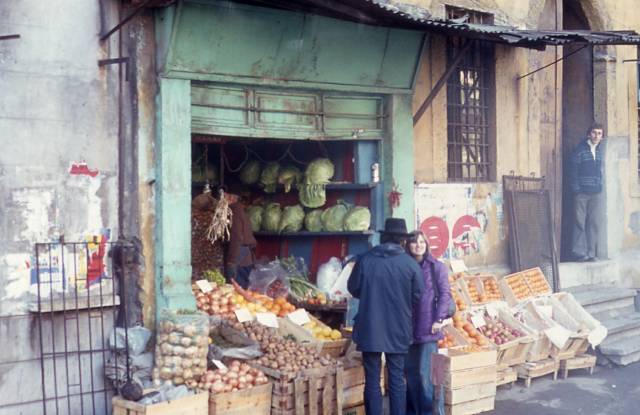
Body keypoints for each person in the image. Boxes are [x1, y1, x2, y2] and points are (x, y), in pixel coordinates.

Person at [347, 218, 424, 415]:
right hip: (398, 327)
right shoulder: (410, 264)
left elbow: (353, 288)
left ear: (383, 237)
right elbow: (417, 295)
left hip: (370, 327)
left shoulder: (365, 259)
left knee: (372, 379)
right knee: (397, 378)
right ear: (402, 241)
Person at [405, 231, 452, 415]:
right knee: (411, 375)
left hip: (429, 327)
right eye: (414, 242)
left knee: (430, 376)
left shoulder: (436, 267)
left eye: (422, 242)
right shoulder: (405, 265)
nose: (418, 245)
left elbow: (445, 294)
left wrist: (439, 319)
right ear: (408, 245)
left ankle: (434, 412)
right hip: (408, 328)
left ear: (427, 244)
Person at [569, 122, 605, 262]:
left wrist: (599, 186)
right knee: (579, 222)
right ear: (589, 134)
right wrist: (576, 189)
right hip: (582, 193)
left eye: (599, 133)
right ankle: (579, 253)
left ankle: (591, 253)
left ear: (602, 136)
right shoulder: (580, 150)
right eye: (594, 133)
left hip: (595, 193)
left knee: (594, 222)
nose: (597, 136)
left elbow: (600, 172)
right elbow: (573, 171)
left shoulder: (600, 152)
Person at [224, 191, 257, 288]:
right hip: (243, 256)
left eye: (224, 196)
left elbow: (236, 238)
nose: (221, 199)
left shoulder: (235, 212)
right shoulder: (238, 210)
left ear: (231, 198)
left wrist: (231, 261)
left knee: (237, 292)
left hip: (240, 258)